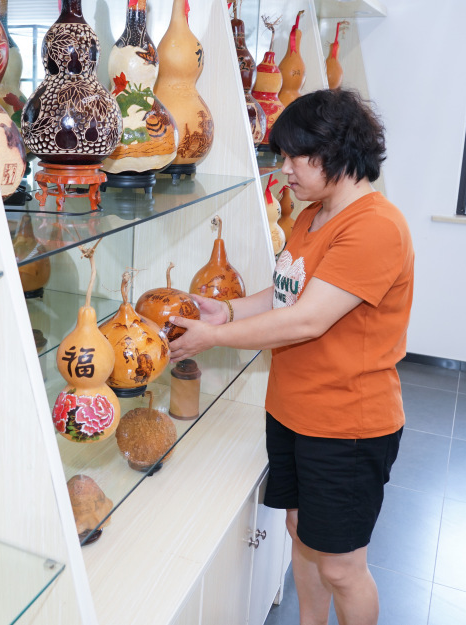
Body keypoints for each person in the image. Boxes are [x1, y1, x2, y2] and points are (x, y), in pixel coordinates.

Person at [169, 88, 414, 625]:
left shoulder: (374, 227)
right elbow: (288, 295)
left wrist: (213, 339)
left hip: (346, 425)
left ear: (334, 151)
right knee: (300, 535)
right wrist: (226, 312)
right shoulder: (314, 214)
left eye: (294, 156)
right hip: (292, 410)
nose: (284, 170)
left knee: (342, 567)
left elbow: (307, 319)